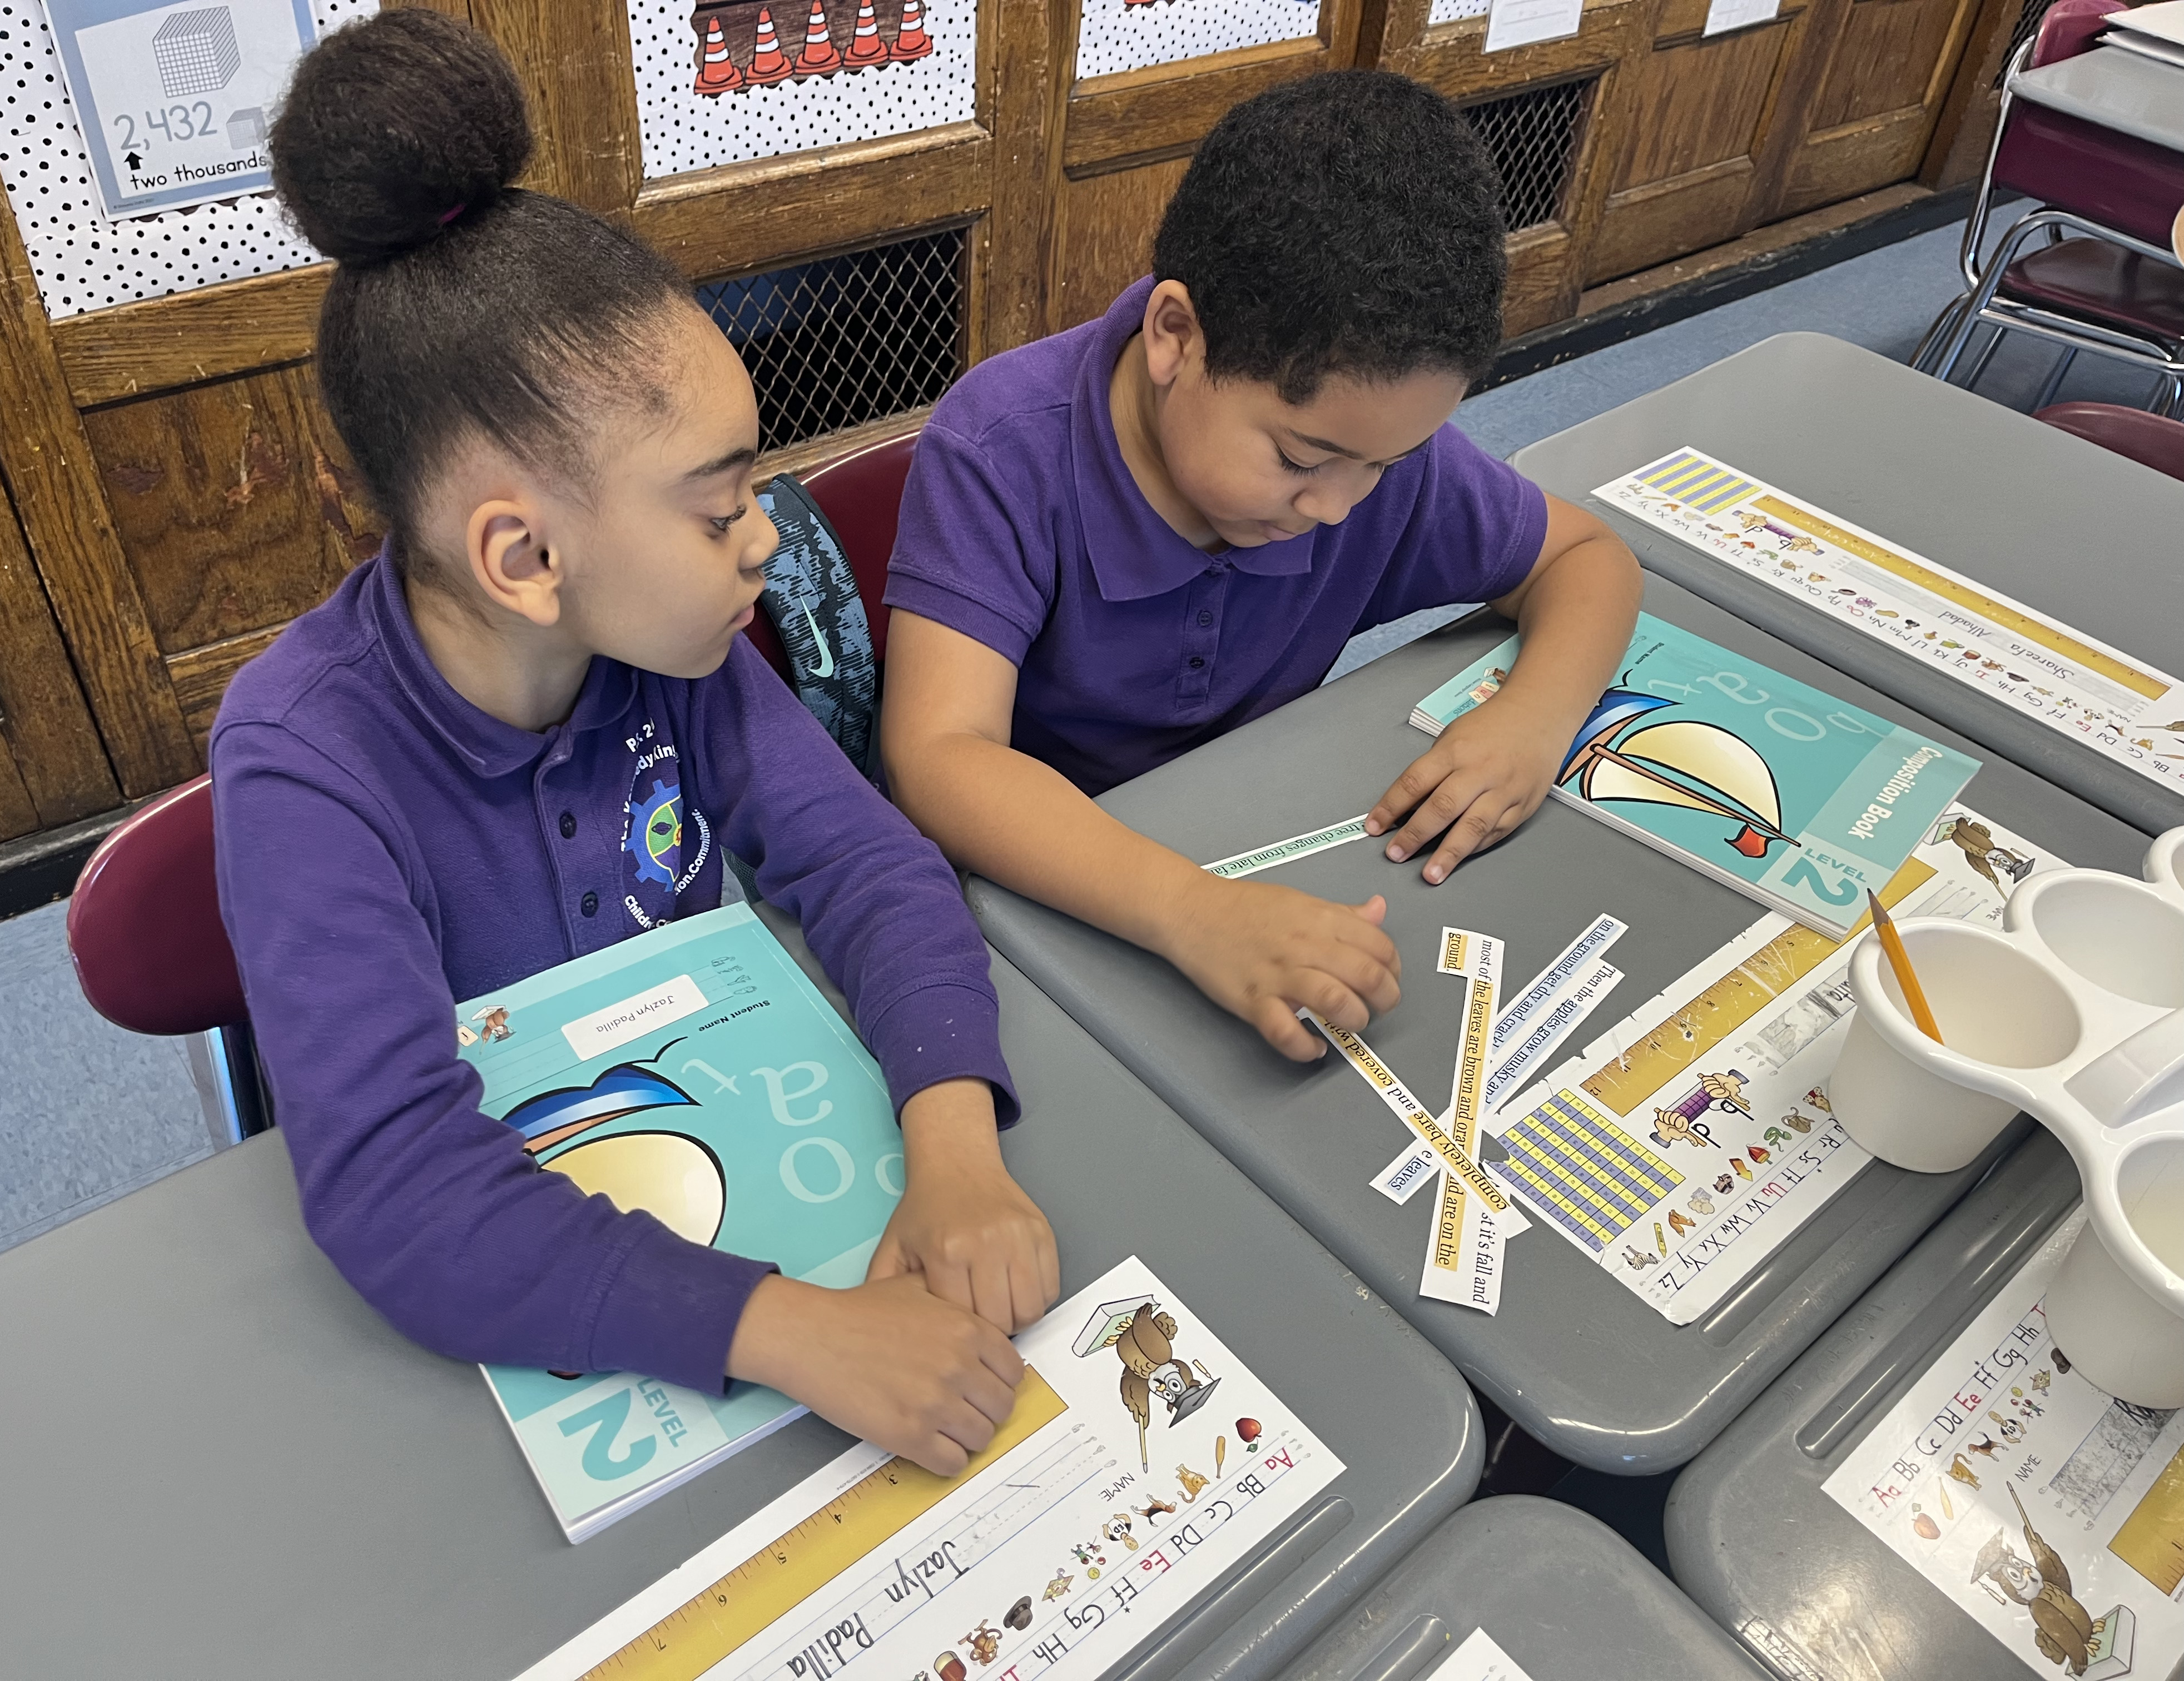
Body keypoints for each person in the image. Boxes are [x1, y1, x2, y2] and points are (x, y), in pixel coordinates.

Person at [211, 9, 1055, 1475]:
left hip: (687, 1128)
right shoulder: (303, 760)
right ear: (525, 555)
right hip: (527, 1304)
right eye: (717, 504)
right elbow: (400, 1188)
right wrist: (797, 1332)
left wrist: (958, 1145)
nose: (764, 539)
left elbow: (874, 871)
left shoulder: (672, 651)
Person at [880, 71, 1642, 1063]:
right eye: (1297, 460)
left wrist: (1534, 720)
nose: (1339, 507)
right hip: (1031, 912)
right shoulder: (1000, 452)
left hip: (1257, 839)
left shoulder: (1360, 450)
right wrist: (1189, 911)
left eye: (1388, 464)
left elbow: (1589, 557)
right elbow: (940, 758)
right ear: (1175, 337)